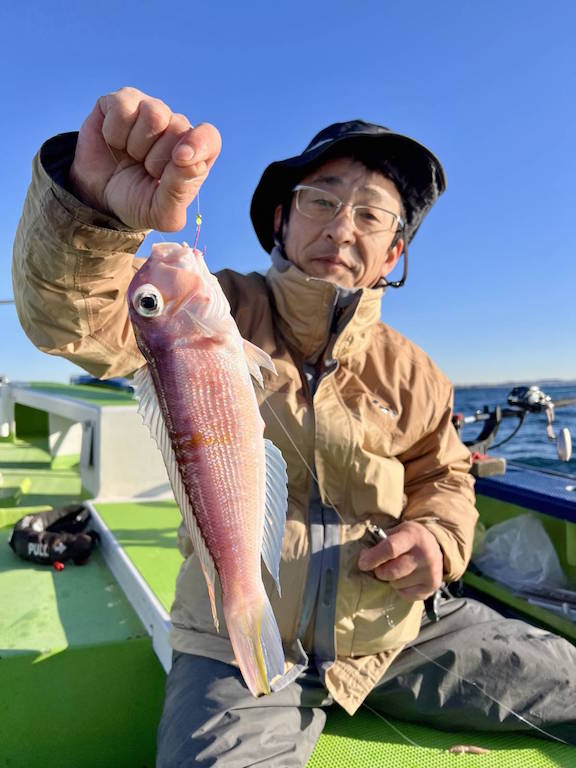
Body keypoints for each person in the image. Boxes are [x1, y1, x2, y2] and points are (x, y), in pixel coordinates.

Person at [13, 87, 576, 765]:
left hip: (395, 632)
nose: (343, 227)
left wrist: (437, 539)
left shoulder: (416, 370)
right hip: (234, 641)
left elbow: (445, 473)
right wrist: (91, 210)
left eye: (372, 214)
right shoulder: (217, 307)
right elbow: (76, 317)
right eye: (322, 200)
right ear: (281, 219)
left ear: (393, 254)